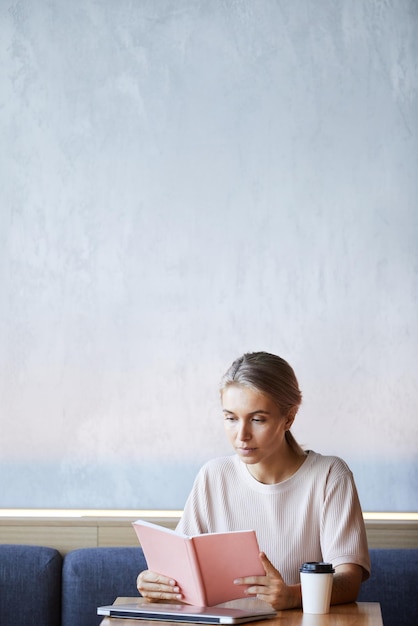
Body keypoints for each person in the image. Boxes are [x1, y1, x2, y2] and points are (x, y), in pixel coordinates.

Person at [137, 352, 370, 610]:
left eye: (257, 419)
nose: (242, 435)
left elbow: (349, 579)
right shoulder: (213, 476)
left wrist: (293, 596)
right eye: (231, 418)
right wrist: (157, 583)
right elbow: (180, 569)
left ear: (289, 418)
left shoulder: (329, 476)